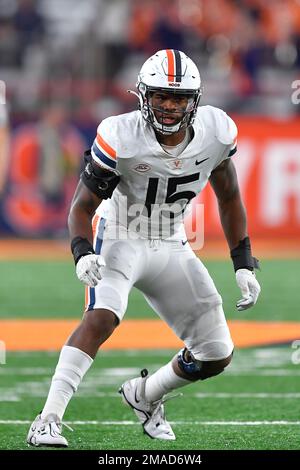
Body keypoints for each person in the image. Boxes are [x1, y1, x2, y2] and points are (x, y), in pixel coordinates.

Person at [27, 49, 261, 447]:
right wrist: (83, 251)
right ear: (142, 96)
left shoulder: (216, 132)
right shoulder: (122, 135)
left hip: (171, 241)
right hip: (119, 234)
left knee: (217, 352)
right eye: (160, 96)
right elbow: (82, 206)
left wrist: (242, 262)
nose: (169, 106)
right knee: (102, 316)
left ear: (195, 100)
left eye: (179, 98)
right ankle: (46, 419)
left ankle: (145, 395)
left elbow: (230, 196)